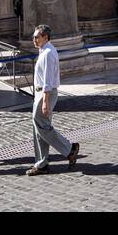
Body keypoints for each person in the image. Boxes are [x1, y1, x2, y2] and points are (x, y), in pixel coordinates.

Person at [26, 24, 81, 176]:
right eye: (33, 37)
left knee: (43, 127)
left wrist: (45, 101)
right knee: (39, 128)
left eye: (36, 37)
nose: (34, 39)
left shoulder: (48, 53)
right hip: (41, 94)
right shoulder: (44, 51)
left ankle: (70, 149)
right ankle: (42, 163)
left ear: (45, 37)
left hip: (46, 94)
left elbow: (48, 79)